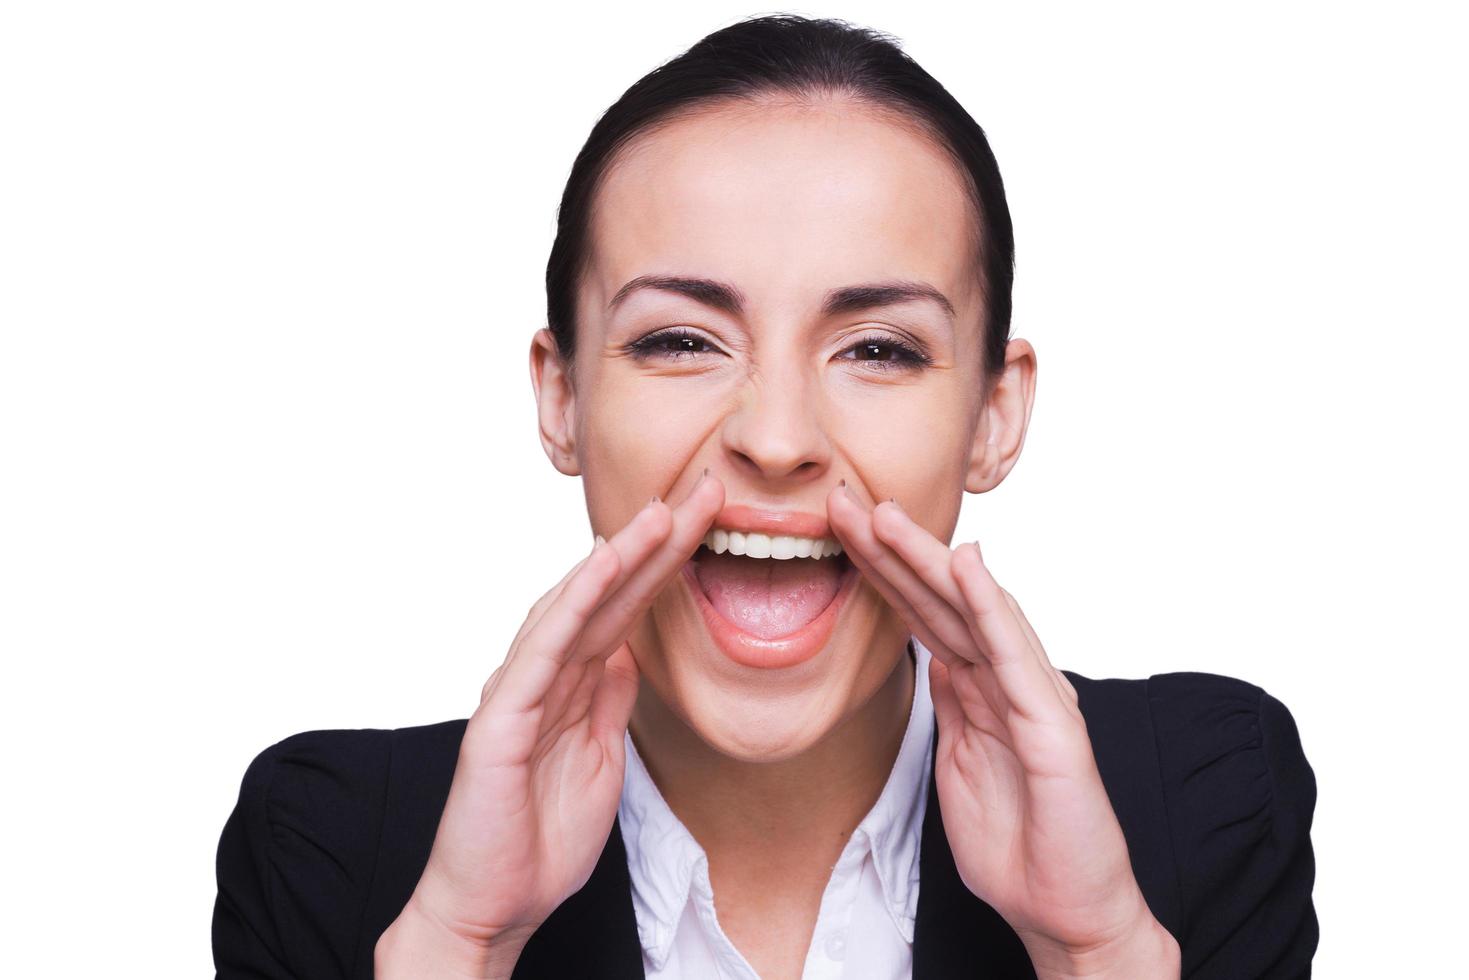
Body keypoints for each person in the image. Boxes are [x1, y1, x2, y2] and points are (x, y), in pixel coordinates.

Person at [212, 14, 1318, 980]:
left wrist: (1096, 952)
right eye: (680, 340)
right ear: (560, 396)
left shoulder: (1200, 802)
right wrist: (457, 943)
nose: (777, 438)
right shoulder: (333, 847)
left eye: (878, 348)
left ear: (994, 413)